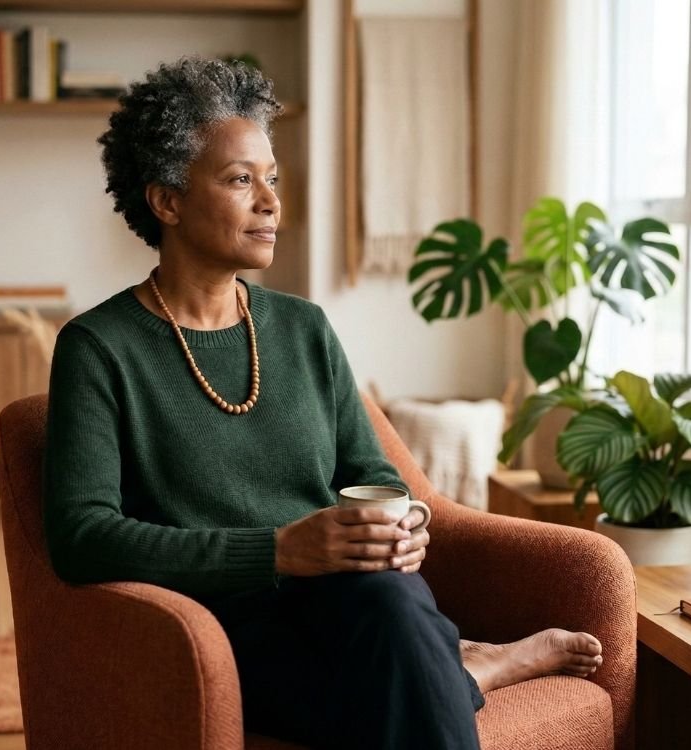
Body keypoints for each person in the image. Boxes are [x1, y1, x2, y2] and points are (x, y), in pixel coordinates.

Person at [42, 56, 603, 749]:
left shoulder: (303, 328)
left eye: (271, 179)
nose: (271, 202)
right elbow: (83, 538)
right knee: (395, 677)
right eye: (240, 180)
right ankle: (468, 667)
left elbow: (374, 474)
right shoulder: (99, 348)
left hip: (354, 606)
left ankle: (451, 663)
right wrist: (277, 551)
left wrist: (405, 522)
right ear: (167, 201)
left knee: (390, 606)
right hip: (217, 627)